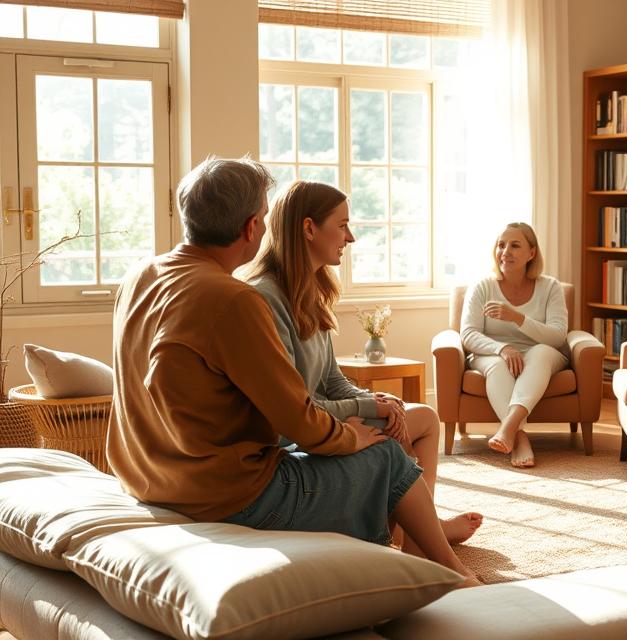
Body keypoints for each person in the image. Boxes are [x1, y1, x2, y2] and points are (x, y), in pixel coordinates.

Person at [106, 157, 478, 587]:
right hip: (225, 495)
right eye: (263, 217)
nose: (266, 228)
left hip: (147, 479)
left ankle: (419, 543)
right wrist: (351, 436)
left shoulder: (139, 276)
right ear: (250, 227)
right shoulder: (234, 299)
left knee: (388, 438)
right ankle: (454, 577)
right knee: (386, 457)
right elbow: (296, 419)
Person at [245, 180, 482, 547]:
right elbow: (295, 409)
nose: (351, 237)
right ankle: (420, 536)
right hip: (301, 434)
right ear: (309, 228)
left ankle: (418, 532)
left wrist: (379, 401)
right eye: (342, 225)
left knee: (422, 418)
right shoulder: (266, 299)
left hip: (324, 416)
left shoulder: (312, 291)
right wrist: (369, 407)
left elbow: (332, 379)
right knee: (396, 431)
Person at [460, 222, 569, 468]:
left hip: (540, 352)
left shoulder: (550, 287)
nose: (505, 251)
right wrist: (501, 349)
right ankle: (519, 438)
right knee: (499, 365)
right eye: (501, 245)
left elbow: (557, 336)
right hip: (491, 354)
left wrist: (517, 318)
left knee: (541, 352)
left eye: (515, 245)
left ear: (532, 253)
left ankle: (508, 427)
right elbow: (468, 334)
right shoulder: (482, 287)